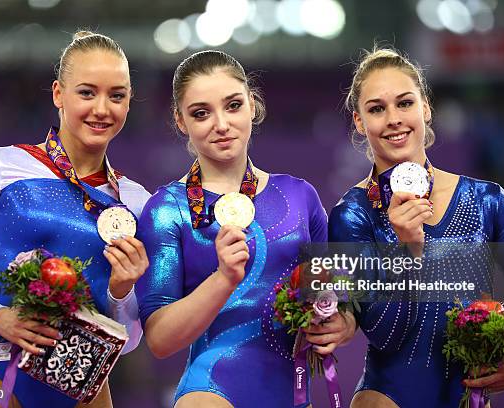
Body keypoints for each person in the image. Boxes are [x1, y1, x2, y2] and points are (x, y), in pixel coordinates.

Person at [110, 50, 356, 407]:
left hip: (293, 394)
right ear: (181, 122)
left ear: (253, 105)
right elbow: (160, 340)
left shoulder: (300, 196)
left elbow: (339, 300)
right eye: (201, 113)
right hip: (212, 392)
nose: (221, 124)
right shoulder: (167, 209)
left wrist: (342, 325)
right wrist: (224, 277)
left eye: (233, 106)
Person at [328, 47, 504, 407]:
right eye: (376, 109)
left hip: (469, 397)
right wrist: (407, 250)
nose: (394, 119)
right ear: (359, 121)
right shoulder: (353, 214)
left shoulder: (486, 199)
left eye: (405, 103)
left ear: (426, 107)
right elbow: (385, 334)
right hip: (388, 397)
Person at [0, 31, 149, 407]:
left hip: (88, 390)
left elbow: (129, 341)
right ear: (58, 95)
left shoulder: (134, 201)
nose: (102, 109)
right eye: (87, 92)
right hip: (1, 374)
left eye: (116, 95)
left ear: (128, 103)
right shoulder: (0, 167)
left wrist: (121, 291)